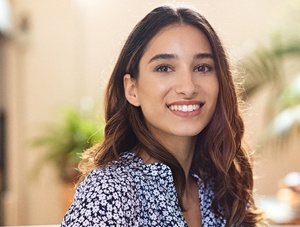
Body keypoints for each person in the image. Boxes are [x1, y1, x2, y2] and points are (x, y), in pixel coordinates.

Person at [61, 4, 265, 227]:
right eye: (164, 68)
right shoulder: (109, 192)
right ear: (132, 89)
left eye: (203, 67)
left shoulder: (222, 186)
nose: (188, 87)